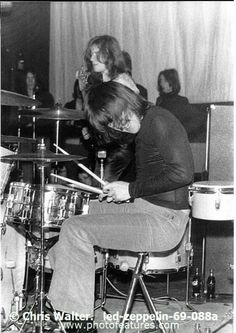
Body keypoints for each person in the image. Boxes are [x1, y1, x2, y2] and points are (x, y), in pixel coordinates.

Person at [48, 81, 194, 332]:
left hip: (164, 222)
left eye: (115, 119)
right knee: (79, 209)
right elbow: (157, 177)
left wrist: (130, 189)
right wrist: (126, 191)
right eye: (111, 124)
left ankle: (77, 321)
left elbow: (183, 174)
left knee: (76, 228)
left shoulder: (159, 120)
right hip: (146, 207)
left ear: (122, 104)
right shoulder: (147, 123)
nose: (116, 127)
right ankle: (64, 295)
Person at [77, 35, 139, 183]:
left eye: (96, 54)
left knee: (104, 195)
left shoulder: (122, 82)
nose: (92, 58)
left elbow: (131, 126)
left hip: (122, 153)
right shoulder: (101, 84)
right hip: (107, 151)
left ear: (109, 55)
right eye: (91, 54)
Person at [155, 68, 200, 139]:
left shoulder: (181, 101)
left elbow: (198, 118)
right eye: (160, 81)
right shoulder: (160, 101)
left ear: (172, 82)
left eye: (165, 81)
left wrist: (182, 131)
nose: (161, 84)